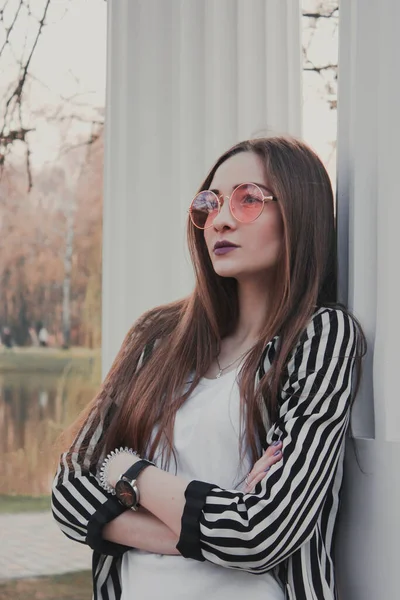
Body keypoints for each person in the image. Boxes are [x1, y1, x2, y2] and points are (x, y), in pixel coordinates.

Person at [52, 137, 366, 600]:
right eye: (210, 203)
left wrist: (130, 474)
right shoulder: (158, 336)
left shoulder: (321, 337)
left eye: (248, 200)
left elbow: (263, 534)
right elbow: (69, 494)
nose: (219, 219)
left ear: (300, 213)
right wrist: (219, 513)